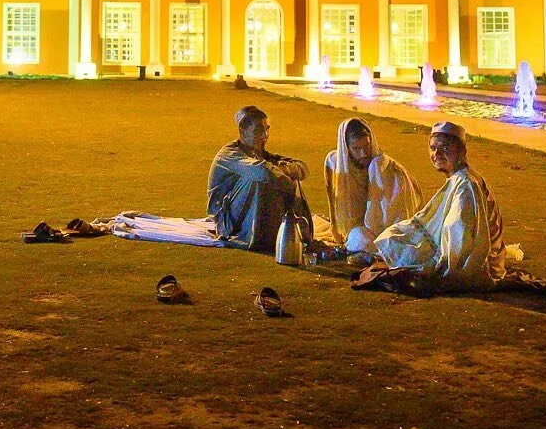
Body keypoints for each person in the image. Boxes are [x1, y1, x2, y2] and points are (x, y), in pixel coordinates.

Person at [370, 121, 508, 292]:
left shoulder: (465, 184)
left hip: (479, 265)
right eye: (433, 148)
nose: (437, 154)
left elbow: (461, 237)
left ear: (462, 151)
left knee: (395, 242)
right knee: (393, 237)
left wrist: (440, 268)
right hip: (464, 251)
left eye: (445, 148)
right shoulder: (459, 177)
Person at [207, 105, 313, 252]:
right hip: (228, 222)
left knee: (282, 173)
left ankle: (293, 227)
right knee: (258, 178)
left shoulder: (261, 153)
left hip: (246, 211)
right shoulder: (229, 154)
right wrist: (284, 179)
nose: (265, 136)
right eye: (258, 131)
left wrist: (286, 170)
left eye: (267, 129)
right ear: (243, 131)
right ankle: (255, 237)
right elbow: (262, 171)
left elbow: (302, 168)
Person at [324, 117, 423, 253]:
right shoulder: (336, 163)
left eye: (366, 146)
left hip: (387, 228)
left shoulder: (382, 166)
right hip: (359, 229)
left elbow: (389, 216)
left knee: (379, 241)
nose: (364, 153)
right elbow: (336, 206)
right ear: (346, 148)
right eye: (356, 148)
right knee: (359, 238)